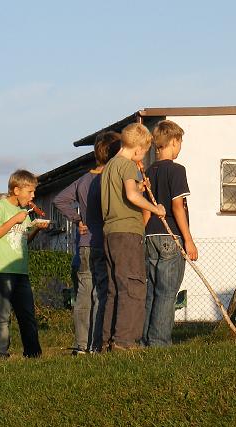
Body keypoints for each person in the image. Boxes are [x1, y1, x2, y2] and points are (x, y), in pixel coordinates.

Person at [54, 130, 121, 354]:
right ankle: (96, 343)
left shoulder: (82, 180)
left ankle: (81, 344)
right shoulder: (108, 179)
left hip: (84, 244)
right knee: (100, 293)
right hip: (102, 241)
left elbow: (60, 200)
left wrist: (77, 219)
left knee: (83, 295)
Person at [101, 122, 165, 351]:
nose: (143, 156)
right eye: (144, 152)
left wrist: (139, 188)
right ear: (138, 149)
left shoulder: (110, 166)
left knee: (115, 288)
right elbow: (130, 196)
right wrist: (155, 209)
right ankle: (125, 341)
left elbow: (123, 194)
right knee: (133, 285)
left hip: (110, 232)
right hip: (127, 232)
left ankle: (107, 339)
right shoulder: (128, 165)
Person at [142, 120, 197, 347]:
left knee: (151, 291)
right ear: (174, 141)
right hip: (170, 234)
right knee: (166, 292)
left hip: (150, 235)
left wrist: (144, 233)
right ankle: (159, 341)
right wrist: (188, 240)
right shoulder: (176, 170)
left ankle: (145, 339)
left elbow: (145, 209)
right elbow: (177, 206)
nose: (180, 147)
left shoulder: (148, 172)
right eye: (180, 142)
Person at [0, 170, 50, 359]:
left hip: (21, 270)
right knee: (3, 313)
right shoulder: (0, 206)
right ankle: (0, 354)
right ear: (16, 190)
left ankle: (33, 353)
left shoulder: (25, 212)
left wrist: (36, 229)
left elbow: (24, 239)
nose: (33, 196)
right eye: (30, 191)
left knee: (27, 313)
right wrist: (14, 219)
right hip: (2, 269)